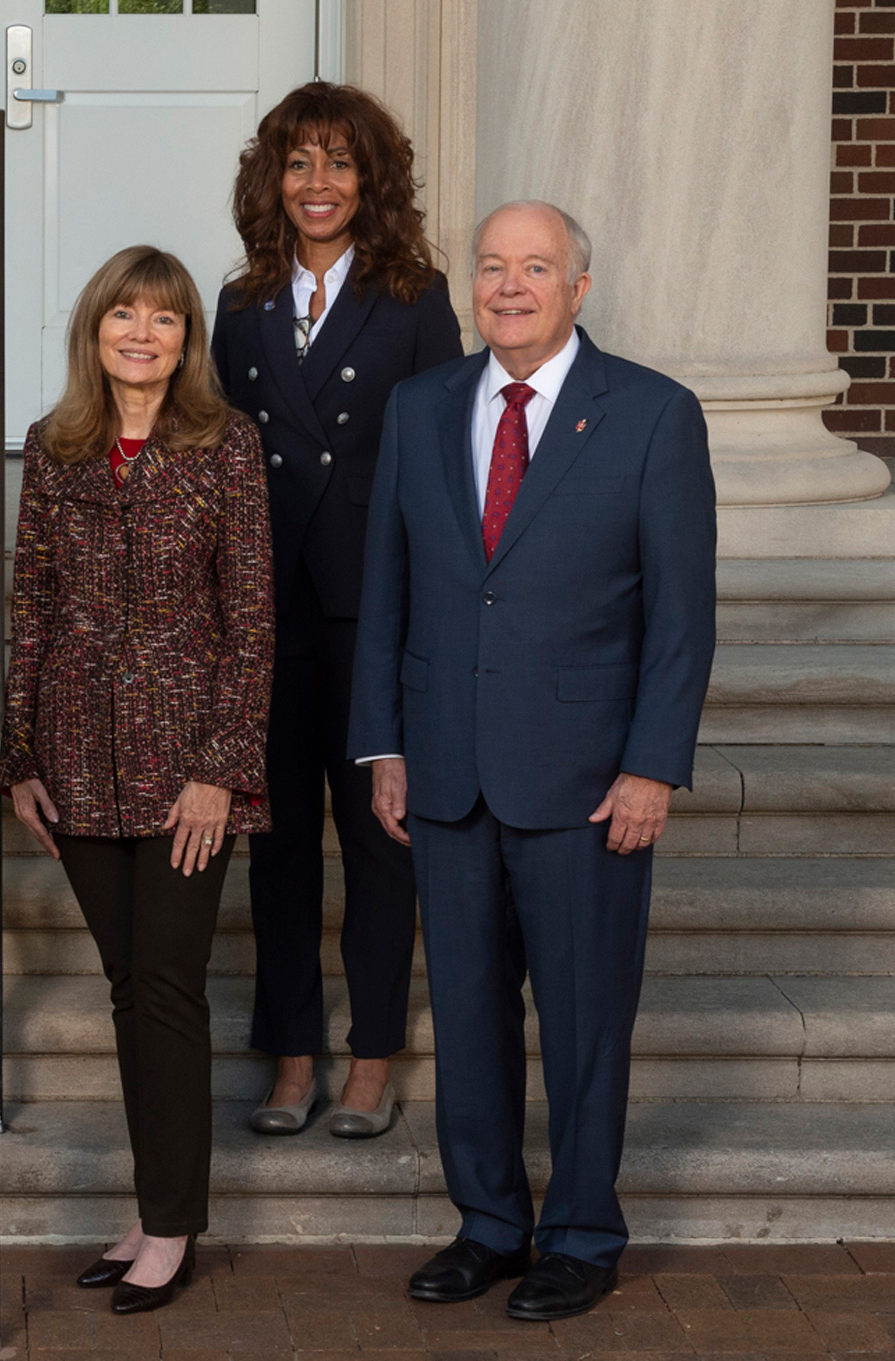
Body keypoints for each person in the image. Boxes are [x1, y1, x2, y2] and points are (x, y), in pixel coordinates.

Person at [349, 201, 716, 1321]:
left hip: (586, 777)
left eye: (534, 267)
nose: (507, 286)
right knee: (462, 1010)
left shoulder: (650, 414)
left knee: (582, 1013)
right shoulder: (420, 408)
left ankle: (582, 1230)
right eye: (492, 266)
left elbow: (679, 616)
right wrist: (383, 741)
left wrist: (651, 764)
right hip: (446, 767)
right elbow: (385, 590)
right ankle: (489, 1221)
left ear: (577, 287)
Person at [2, 246, 274, 1317]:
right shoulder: (55, 446)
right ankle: (153, 1206)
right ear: (94, 330)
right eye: (123, 314)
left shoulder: (224, 445)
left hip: (182, 769)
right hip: (72, 759)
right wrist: (18, 754)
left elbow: (251, 619)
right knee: (129, 988)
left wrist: (220, 769)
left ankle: (171, 1226)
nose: (141, 333)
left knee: (162, 986)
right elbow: (28, 606)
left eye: (162, 318)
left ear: (184, 339)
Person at [211, 82, 463, 1139]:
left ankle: (367, 1055)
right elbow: (223, 459)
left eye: (338, 163)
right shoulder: (238, 303)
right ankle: (289, 1050)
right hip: (268, 609)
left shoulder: (416, 298)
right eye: (297, 162)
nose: (316, 184)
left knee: (375, 839)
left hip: (372, 610)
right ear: (271, 178)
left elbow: (444, 466)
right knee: (273, 844)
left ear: (373, 181)